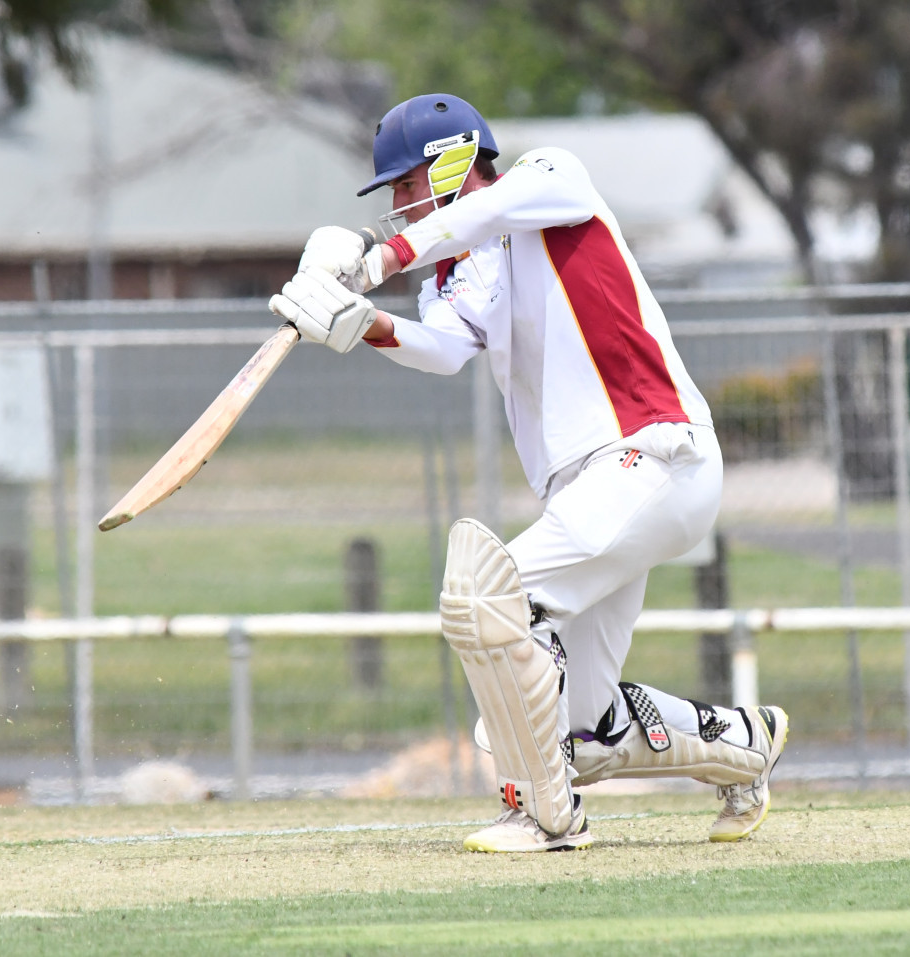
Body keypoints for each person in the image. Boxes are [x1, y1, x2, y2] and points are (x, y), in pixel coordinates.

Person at [269, 93, 788, 853]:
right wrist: (356, 322)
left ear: (451, 160)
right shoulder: (457, 271)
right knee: (579, 725)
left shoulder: (551, 180)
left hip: (654, 451)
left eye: (405, 185)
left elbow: (479, 213)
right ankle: (745, 743)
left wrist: (378, 257)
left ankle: (544, 816)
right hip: (598, 489)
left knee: (491, 599)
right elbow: (442, 349)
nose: (399, 205)